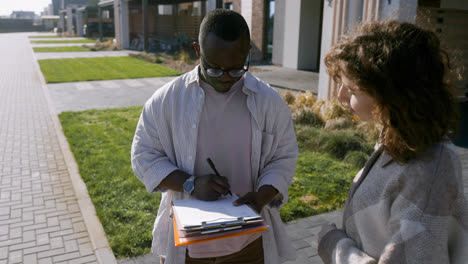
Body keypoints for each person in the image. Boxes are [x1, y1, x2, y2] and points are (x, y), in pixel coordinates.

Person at [131, 9, 298, 264]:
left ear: (247, 53)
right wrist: (190, 184)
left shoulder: (269, 102)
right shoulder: (168, 101)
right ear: (198, 51)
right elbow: (143, 156)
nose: (226, 78)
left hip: (248, 246)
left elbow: (283, 157)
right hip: (187, 247)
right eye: (214, 69)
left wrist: (263, 195)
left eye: (236, 69)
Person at [317, 20, 468, 263]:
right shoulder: (399, 139)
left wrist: (335, 247)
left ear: (392, 95)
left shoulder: (429, 169)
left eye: (352, 90)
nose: (340, 97)